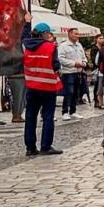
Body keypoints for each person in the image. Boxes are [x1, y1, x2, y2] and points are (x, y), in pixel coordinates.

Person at [22, 22, 63, 156]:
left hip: (31, 87)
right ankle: (46, 146)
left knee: (30, 117)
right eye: (49, 33)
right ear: (44, 34)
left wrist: (27, 23)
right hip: (48, 87)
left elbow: (24, 35)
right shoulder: (51, 47)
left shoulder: (25, 46)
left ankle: (30, 147)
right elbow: (56, 65)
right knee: (48, 117)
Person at [57, 28, 87, 121]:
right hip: (68, 72)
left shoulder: (79, 45)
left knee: (76, 92)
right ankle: (65, 111)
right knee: (69, 91)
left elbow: (83, 56)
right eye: (75, 34)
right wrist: (74, 63)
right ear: (69, 34)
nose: (77, 36)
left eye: (78, 34)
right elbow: (61, 59)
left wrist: (84, 62)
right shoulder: (63, 46)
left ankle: (73, 111)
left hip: (78, 72)